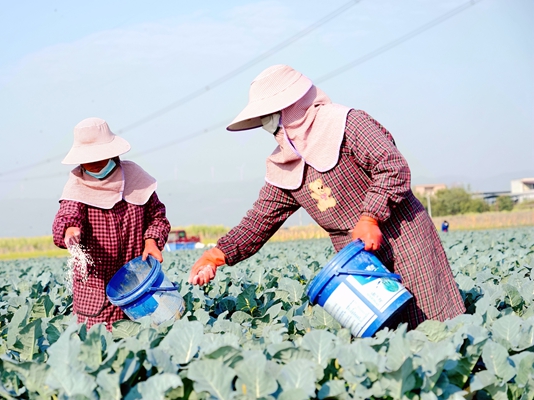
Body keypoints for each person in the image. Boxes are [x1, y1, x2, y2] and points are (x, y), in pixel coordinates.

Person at [188, 65, 465, 330]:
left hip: (404, 236)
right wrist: (216, 255)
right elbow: (259, 219)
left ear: (291, 107)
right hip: (355, 258)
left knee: (432, 323)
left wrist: (370, 216)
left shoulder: (349, 124)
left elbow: (392, 167)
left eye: (270, 117)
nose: (269, 127)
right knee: (380, 333)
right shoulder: (285, 164)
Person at [52, 117, 170, 330]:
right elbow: (68, 215)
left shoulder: (136, 177)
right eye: (88, 159)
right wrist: (70, 230)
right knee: (98, 354)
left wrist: (152, 241)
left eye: (99, 156)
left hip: (138, 285)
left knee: (147, 344)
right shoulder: (77, 186)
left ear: (113, 153)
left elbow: (157, 216)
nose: (94, 164)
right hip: (97, 295)